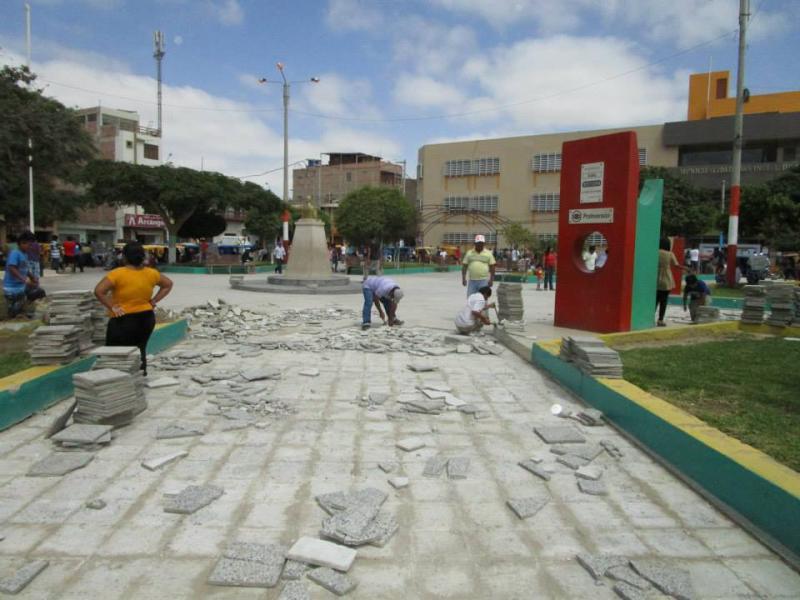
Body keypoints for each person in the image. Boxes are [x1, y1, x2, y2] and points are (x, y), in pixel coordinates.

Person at [94, 242, 173, 375]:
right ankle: (140, 376)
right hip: (146, 318)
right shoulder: (151, 273)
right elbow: (168, 284)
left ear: (124, 257)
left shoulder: (117, 274)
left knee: (116, 353)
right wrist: (153, 301)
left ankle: (118, 381)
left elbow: (99, 291)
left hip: (123, 318)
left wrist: (112, 306)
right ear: (142, 256)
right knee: (139, 349)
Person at [3, 231, 46, 319]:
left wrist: (32, 277)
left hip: (21, 286)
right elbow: (12, 268)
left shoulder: (24, 254)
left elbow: (25, 269)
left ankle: (26, 307)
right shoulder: (15, 253)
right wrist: (24, 279)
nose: (30, 247)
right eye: (29, 245)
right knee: (16, 308)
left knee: (40, 292)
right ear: (22, 243)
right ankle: (16, 310)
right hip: (12, 288)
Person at [656, 238, 682, 327]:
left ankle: (650, 317)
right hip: (667, 278)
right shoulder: (670, 254)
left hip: (655, 277)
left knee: (654, 300)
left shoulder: (655, 252)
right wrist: (686, 268)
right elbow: (676, 265)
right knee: (664, 301)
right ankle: (660, 320)